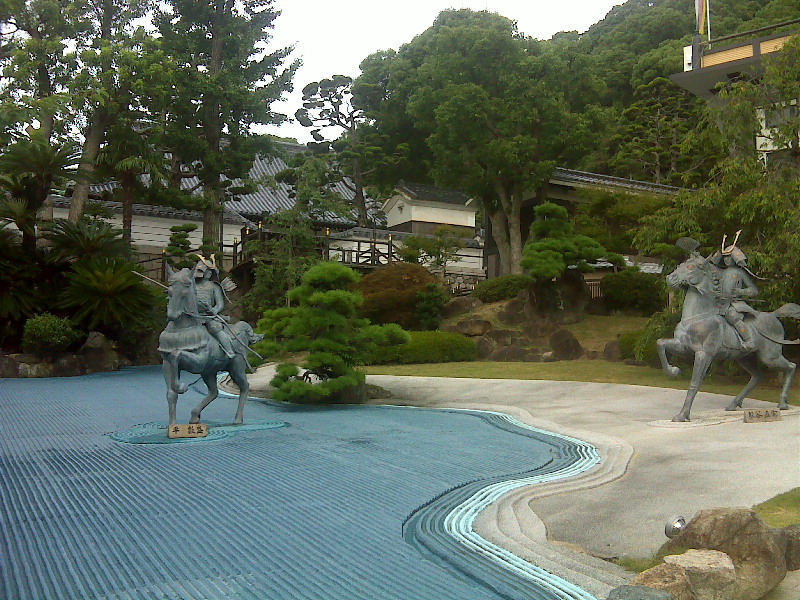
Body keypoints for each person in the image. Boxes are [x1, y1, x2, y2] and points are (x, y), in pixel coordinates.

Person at [710, 231, 759, 350]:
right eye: (725, 257)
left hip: (734, 304)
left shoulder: (740, 273)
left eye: (729, 257)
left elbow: (754, 290)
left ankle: (748, 340)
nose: (727, 259)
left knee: (732, 316)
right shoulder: (719, 272)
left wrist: (741, 291)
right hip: (718, 304)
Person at [193, 254, 237, 358]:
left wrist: (214, 310)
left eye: (211, 271)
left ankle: (229, 350)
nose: (209, 273)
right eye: (207, 270)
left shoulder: (214, 286)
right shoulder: (192, 286)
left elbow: (220, 304)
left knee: (215, 328)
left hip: (208, 316)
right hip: (192, 315)